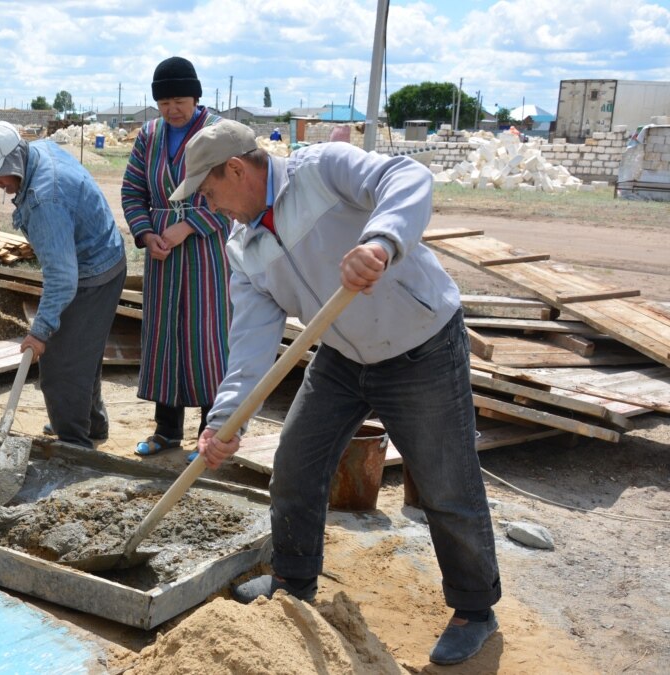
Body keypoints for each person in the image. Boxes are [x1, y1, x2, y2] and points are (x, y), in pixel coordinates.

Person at [174, 120, 502, 666]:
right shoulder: (243, 246)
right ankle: (293, 581)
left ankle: (474, 608)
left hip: (420, 342)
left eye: (209, 193)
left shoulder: (322, 170)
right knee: (296, 465)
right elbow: (252, 341)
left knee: (447, 483)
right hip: (342, 356)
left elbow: (408, 175)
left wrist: (381, 240)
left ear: (236, 169)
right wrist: (226, 419)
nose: (213, 208)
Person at [0, 121, 126, 449]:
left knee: (60, 365)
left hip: (92, 273)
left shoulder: (45, 199)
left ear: (13, 162)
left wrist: (39, 333)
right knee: (82, 353)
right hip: (95, 258)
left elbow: (62, 278)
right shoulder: (35, 153)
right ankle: (90, 427)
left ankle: (74, 446)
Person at [120, 56, 231, 459]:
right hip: (162, 256)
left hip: (207, 251)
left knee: (208, 338)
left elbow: (233, 191)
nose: (173, 109)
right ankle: (167, 429)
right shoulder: (149, 135)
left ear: (196, 96)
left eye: (180, 99)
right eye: (164, 102)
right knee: (164, 337)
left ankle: (210, 432)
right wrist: (147, 233)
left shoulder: (217, 132)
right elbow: (133, 190)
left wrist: (189, 225)